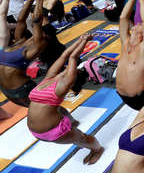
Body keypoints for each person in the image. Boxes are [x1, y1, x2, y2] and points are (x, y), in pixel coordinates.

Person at [27, 34, 104, 164]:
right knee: (76, 139)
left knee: (81, 139)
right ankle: (77, 133)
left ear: (73, 79)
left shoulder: (63, 85)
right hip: (38, 132)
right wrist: (80, 39)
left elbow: (73, 57)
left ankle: (97, 150)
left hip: (54, 131)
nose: (68, 70)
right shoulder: (49, 78)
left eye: (72, 71)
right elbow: (64, 56)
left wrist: (84, 41)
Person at [0, 0, 47, 107]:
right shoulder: (27, 43)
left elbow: (29, 20)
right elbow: (28, 20)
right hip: (17, 89)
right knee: (46, 108)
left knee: (40, 110)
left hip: (9, 90)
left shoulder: (22, 43)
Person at [116, 0, 144, 110]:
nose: (135, 24)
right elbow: (123, 17)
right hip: (123, 96)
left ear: (143, 34)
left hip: (142, 95)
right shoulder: (125, 43)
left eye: (138, 26)